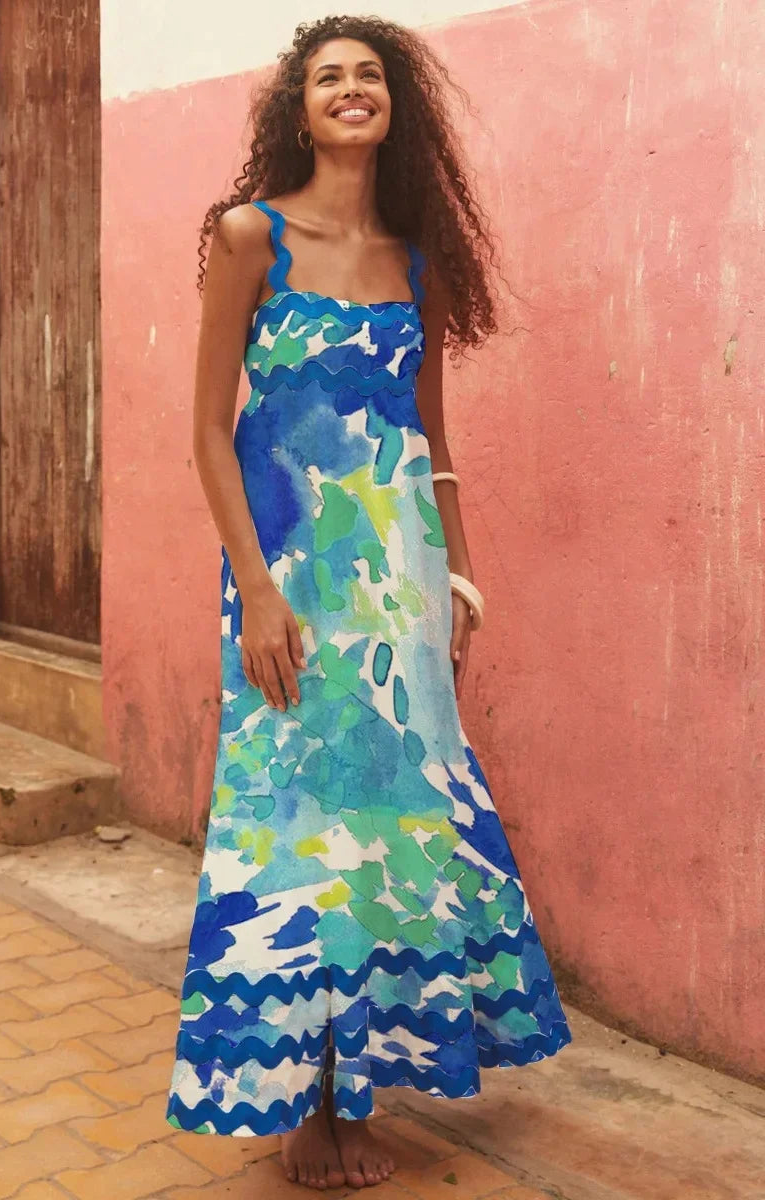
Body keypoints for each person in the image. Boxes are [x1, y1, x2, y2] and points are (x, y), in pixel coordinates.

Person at [165, 13, 573, 1192]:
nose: (351, 90)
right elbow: (205, 426)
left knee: (390, 837)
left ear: (398, 109)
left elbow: (429, 440)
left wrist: (455, 574)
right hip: (287, 579)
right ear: (296, 106)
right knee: (294, 830)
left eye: (370, 77)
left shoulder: (418, 257)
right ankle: (304, 1111)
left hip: (396, 587)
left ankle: (362, 1093)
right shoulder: (252, 237)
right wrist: (254, 588)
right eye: (328, 77)